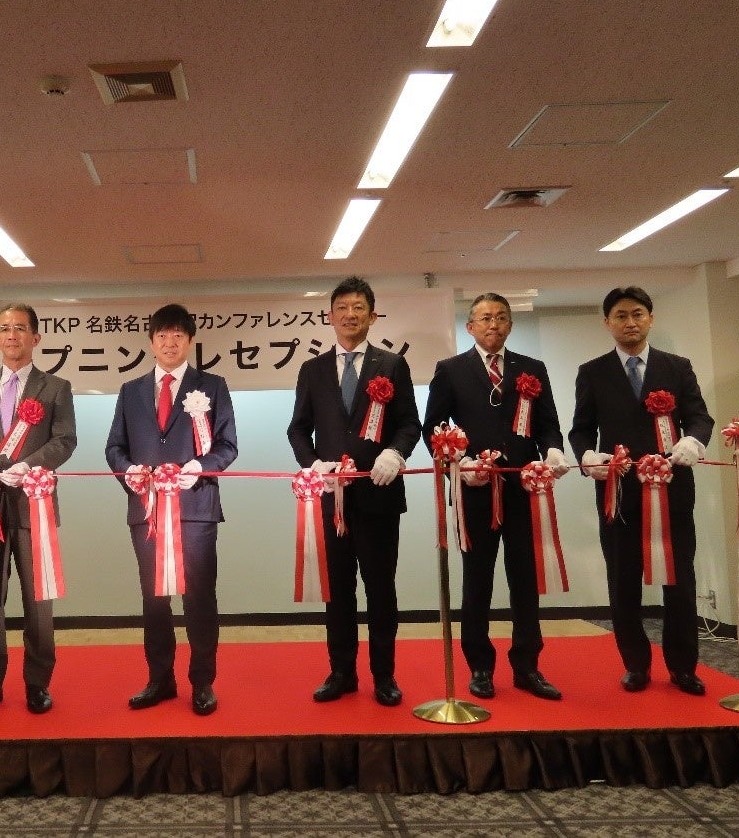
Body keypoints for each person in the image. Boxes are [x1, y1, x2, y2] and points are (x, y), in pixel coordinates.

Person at [422, 293, 569, 701]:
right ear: (470, 326)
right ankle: (480, 667)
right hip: (474, 490)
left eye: (501, 317)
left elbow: (549, 423)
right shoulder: (451, 370)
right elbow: (433, 427)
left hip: (524, 488)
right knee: (477, 581)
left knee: (525, 580)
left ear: (510, 326)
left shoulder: (532, 368)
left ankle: (527, 666)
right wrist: (460, 462)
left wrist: (553, 450)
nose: (494, 324)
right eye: (485, 318)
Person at [569, 286, 713, 695]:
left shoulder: (677, 367)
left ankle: (683, 667)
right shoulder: (593, 372)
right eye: (620, 315)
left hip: (671, 489)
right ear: (607, 323)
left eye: (637, 314)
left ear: (650, 318)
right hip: (618, 492)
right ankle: (635, 665)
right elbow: (581, 429)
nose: (629, 322)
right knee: (623, 580)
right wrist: (587, 456)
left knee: (679, 581)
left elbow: (699, 416)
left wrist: (693, 440)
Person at [287, 276, 421, 706]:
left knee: (381, 589)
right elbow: (298, 429)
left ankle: (384, 675)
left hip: (379, 496)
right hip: (331, 499)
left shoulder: (392, 364)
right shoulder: (312, 370)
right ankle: (341, 672)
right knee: (338, 591)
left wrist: (395, 453)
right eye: (342, 308)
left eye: (358, 307)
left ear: (372, 315)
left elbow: (409, 423)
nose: (350, 315)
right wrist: (313, 466)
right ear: (330, 316)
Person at [104, 303, 238, 716]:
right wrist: (129, 472)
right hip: (147, 511)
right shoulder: (131, 391)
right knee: (154, 600)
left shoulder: (212, 386)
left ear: (190, 341)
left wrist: (200, 467)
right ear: (151, 342)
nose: (169, 342)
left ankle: (203, 682)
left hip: (196, 508)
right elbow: (114, 447)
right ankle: (160, 679)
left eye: (178, 335)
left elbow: (227, 445)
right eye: (162, 335)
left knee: (199, 598)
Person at [0, 303, 77, 716]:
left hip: (33, 504)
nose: (11, 335)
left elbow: (64, 440)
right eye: (4, 328)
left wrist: (29, 466)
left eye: (20, 328)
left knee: (38, 599)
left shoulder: (55, 387)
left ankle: (38, 683)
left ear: (35, 337)